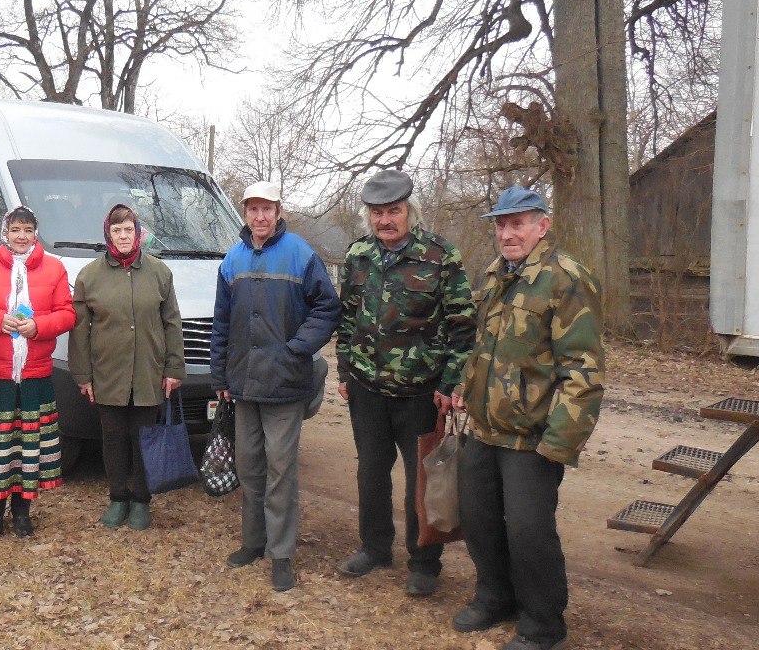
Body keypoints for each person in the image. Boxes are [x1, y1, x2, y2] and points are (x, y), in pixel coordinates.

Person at [450, 186, 604, 650]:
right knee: (478, 520)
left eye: (517, 223)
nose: (507, 233)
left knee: (528, 531)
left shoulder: (567, 279)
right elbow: (485, 348)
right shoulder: (497, 275)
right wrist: (464, 388)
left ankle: (542, 624)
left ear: (543, 225)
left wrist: (558, 444)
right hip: (483, 428)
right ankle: (495, 596)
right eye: (501, 224)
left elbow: (582, 370)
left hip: (532, 438)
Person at [334, 169, 476, 596]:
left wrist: (451, 383)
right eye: (377, 213)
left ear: (409, 212)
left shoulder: (440, 256)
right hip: (367, 391)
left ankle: (424, 563)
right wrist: (345, 372)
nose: (385, 221)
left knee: (422, 481)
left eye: (393, 211)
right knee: (371, 473)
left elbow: (463, 326)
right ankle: (375, 549)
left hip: (421, 393)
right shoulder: (358, 255)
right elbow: (347, 317)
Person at [211, 180, 340, 592]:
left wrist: (298, 348)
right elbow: (221, 324)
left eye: (267, 209)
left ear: (278, 211)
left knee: (281, 470)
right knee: (249, 466)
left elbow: (328, 307)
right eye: (253, 209)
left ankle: (281, 554)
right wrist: (220, 375)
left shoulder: (300, 253)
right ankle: (254, 542)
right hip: (244, 384)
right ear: (245, 213)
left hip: (284, 384)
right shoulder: (232, 259)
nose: (260, 216)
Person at [70, 204, 186, 531]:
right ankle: (118, 497)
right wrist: (83, 375)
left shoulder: (160, 273)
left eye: (129, 229)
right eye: (117, 230)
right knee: (113, 438)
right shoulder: (89, 276)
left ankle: (141, 500)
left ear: (138, 233)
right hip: (108, 373)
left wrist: (174, 368)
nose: (123, 236)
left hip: (149, 371)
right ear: (108, 233)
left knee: (143, 439)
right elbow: (80, 331)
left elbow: (171, 323)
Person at [0, 206, 77, 537]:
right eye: (15, 230)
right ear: (5, 233)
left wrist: (38, 326)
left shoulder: (53, 268)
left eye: (28, 230)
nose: (22, 236)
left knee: (28, 446)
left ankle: (23, 512)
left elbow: (67, 313)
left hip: (34, 374)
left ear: (35, 233)